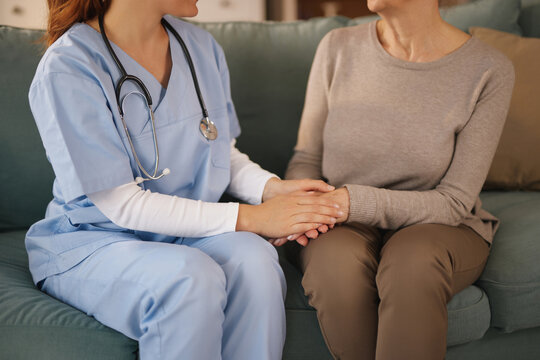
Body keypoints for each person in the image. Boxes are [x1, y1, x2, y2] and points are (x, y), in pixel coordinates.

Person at [25, 1, 343, 359]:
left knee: (255, 259)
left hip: (185, 234)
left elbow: (220, 149)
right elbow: (121, 205)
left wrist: (271, 189)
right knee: (189, 278)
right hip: (96, 239)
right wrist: (254, 217)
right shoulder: (69, 66)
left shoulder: (200, 48)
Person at [280, 0, 515, 359]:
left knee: (412, 264)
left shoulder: (488, 69)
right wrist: (307, 206)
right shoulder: (337, 46)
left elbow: (454, 201)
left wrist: (350, 201)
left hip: (437, 221)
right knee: (334, 268)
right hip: (341, 218)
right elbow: (307, 159)